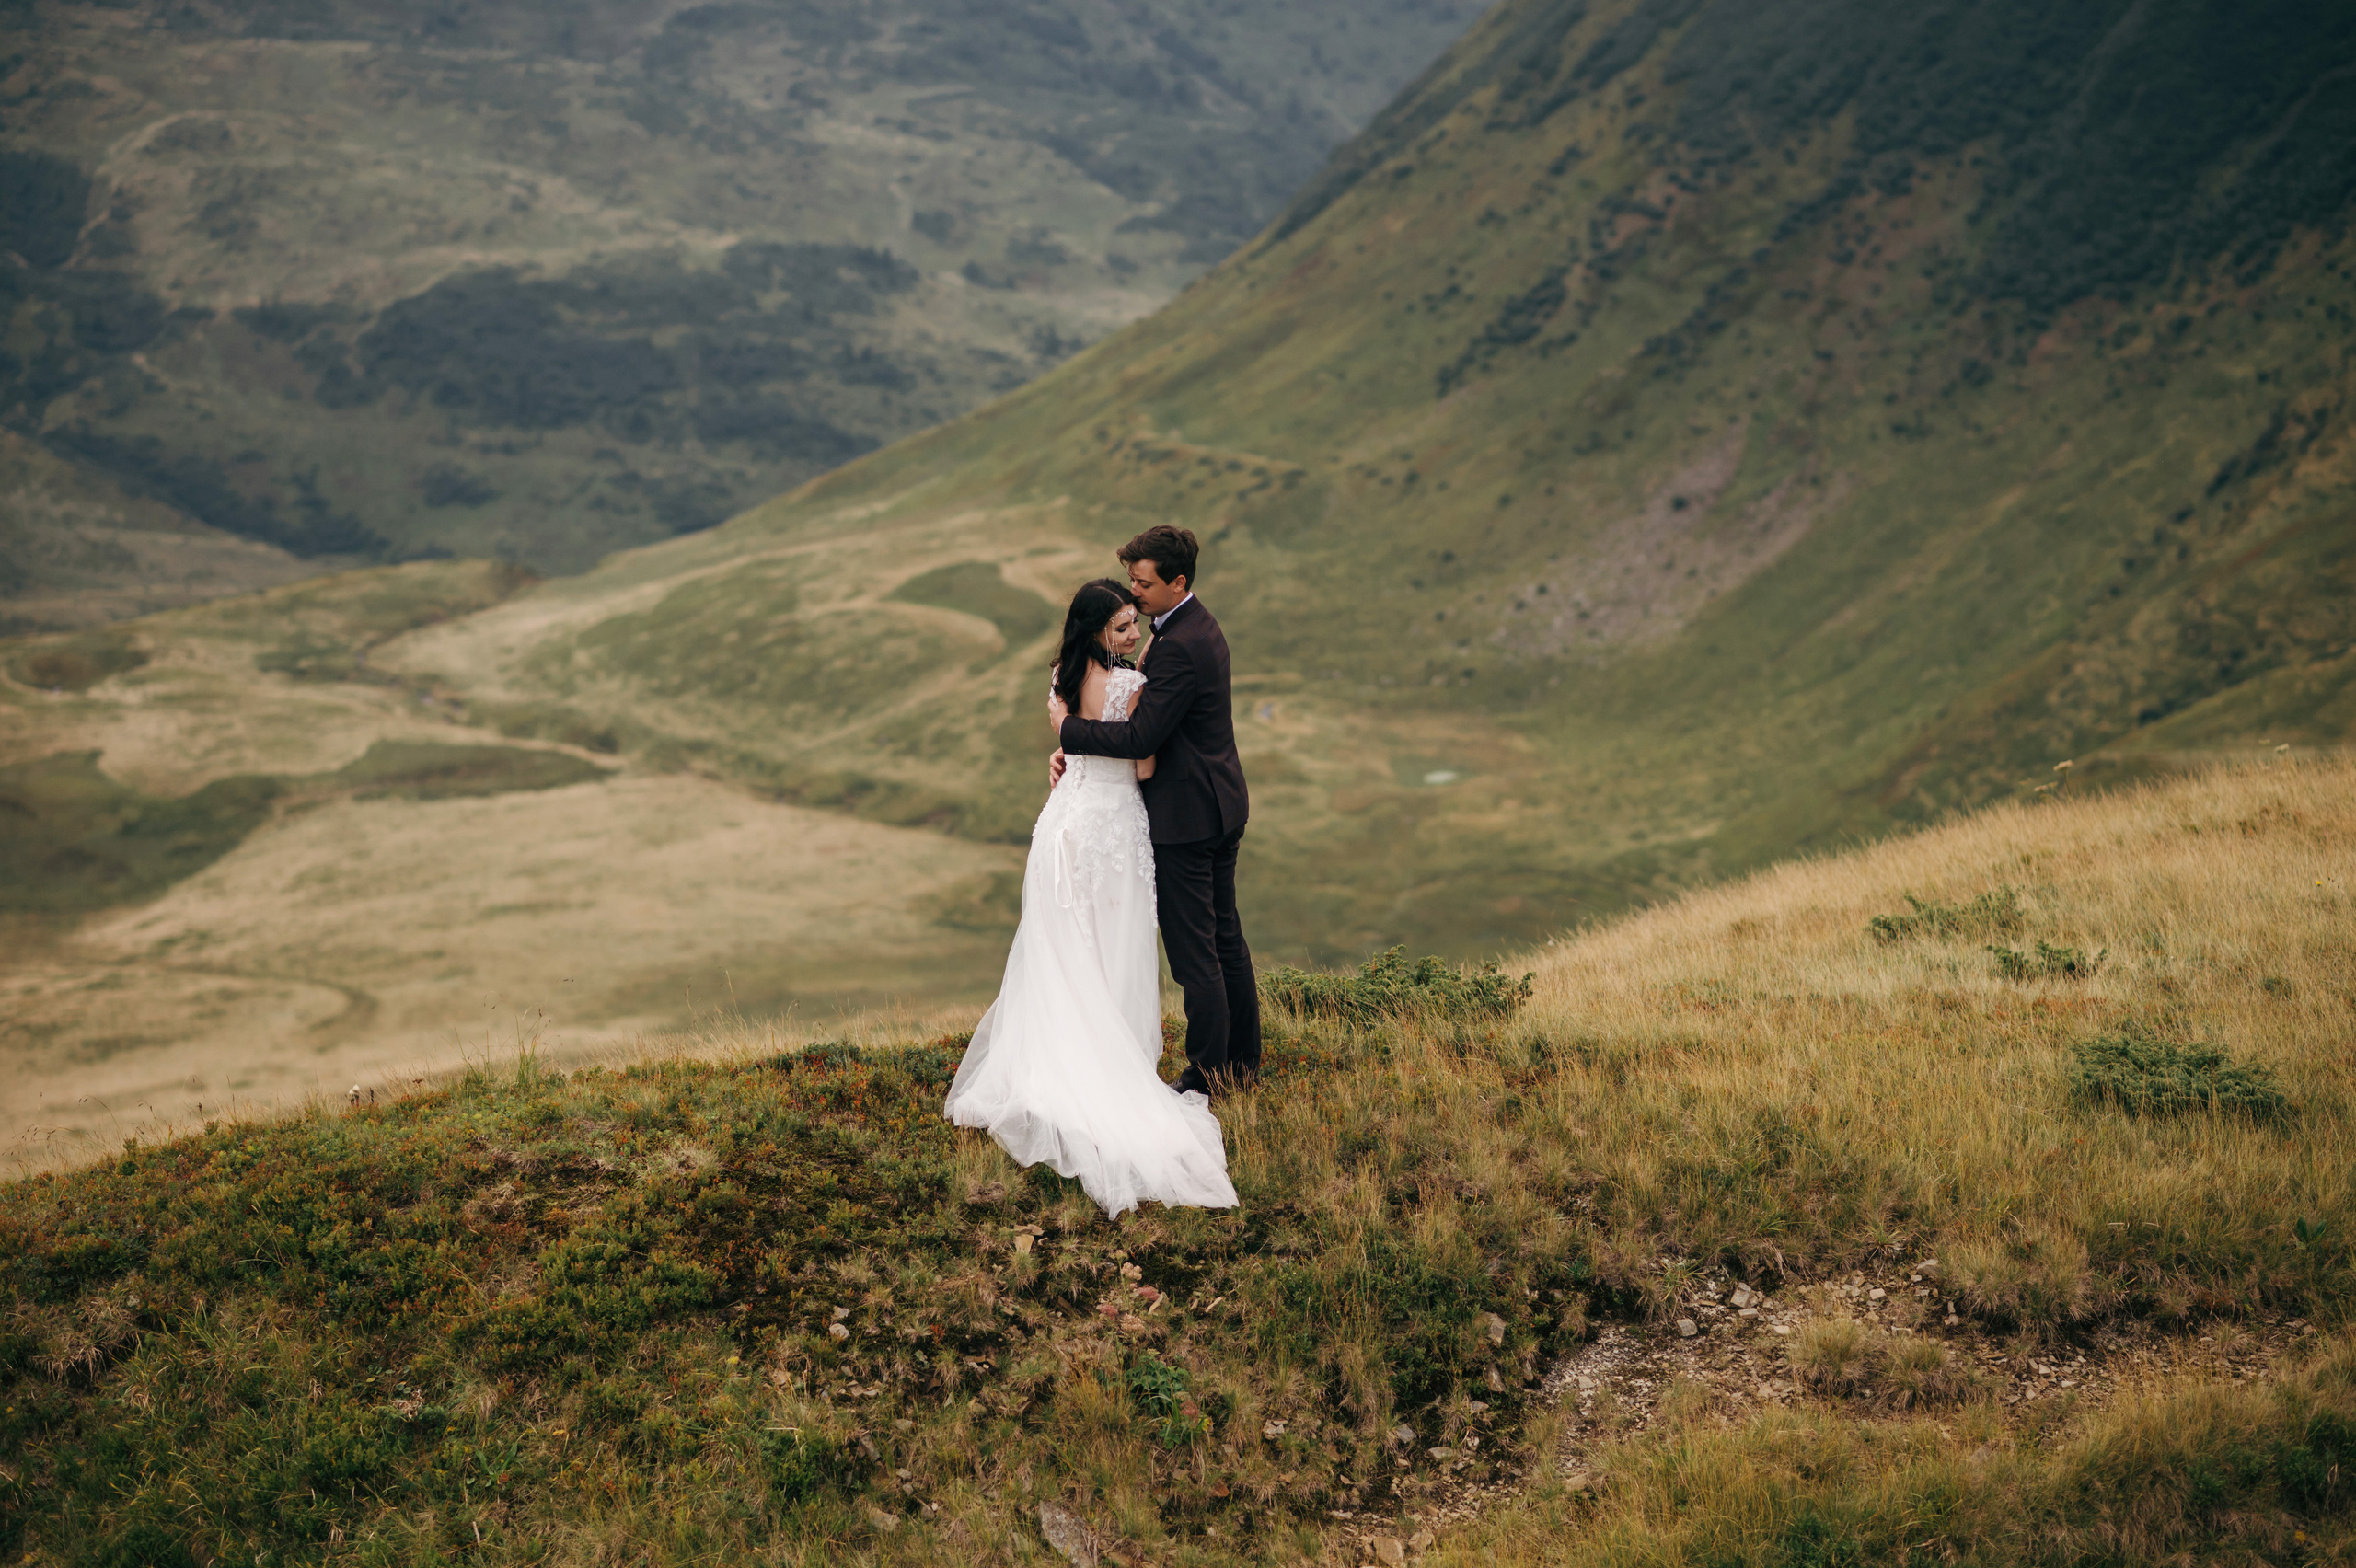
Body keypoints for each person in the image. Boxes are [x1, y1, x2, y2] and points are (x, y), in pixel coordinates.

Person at [941, 577, 1237, 1217]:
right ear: (1099, 629)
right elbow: (1145, 765)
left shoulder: (1060, 676)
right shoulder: (1131, 685)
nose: (1135, 635)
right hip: (1114, 829)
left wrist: (1068, 740)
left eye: (1136, 621)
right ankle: (1112, 1070)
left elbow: (1074, 737)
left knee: (1062, 951)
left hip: (1064, 826)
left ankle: (1056, 1065)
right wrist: (1090, 742)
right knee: (1110, 949)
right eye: (1124, 626)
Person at [1050, 525, 1260, 1097]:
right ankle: (1241, 1063)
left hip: (1187, 817)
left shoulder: (1180, 647)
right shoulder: (1192, 626)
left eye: (1143, 584)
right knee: (1224, 939)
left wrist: (1069, 731)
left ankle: (1209, 1076)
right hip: (1219, 801)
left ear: (1178, 582)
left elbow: (1142, 735)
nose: (1134, 593)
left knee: (1197, 953)